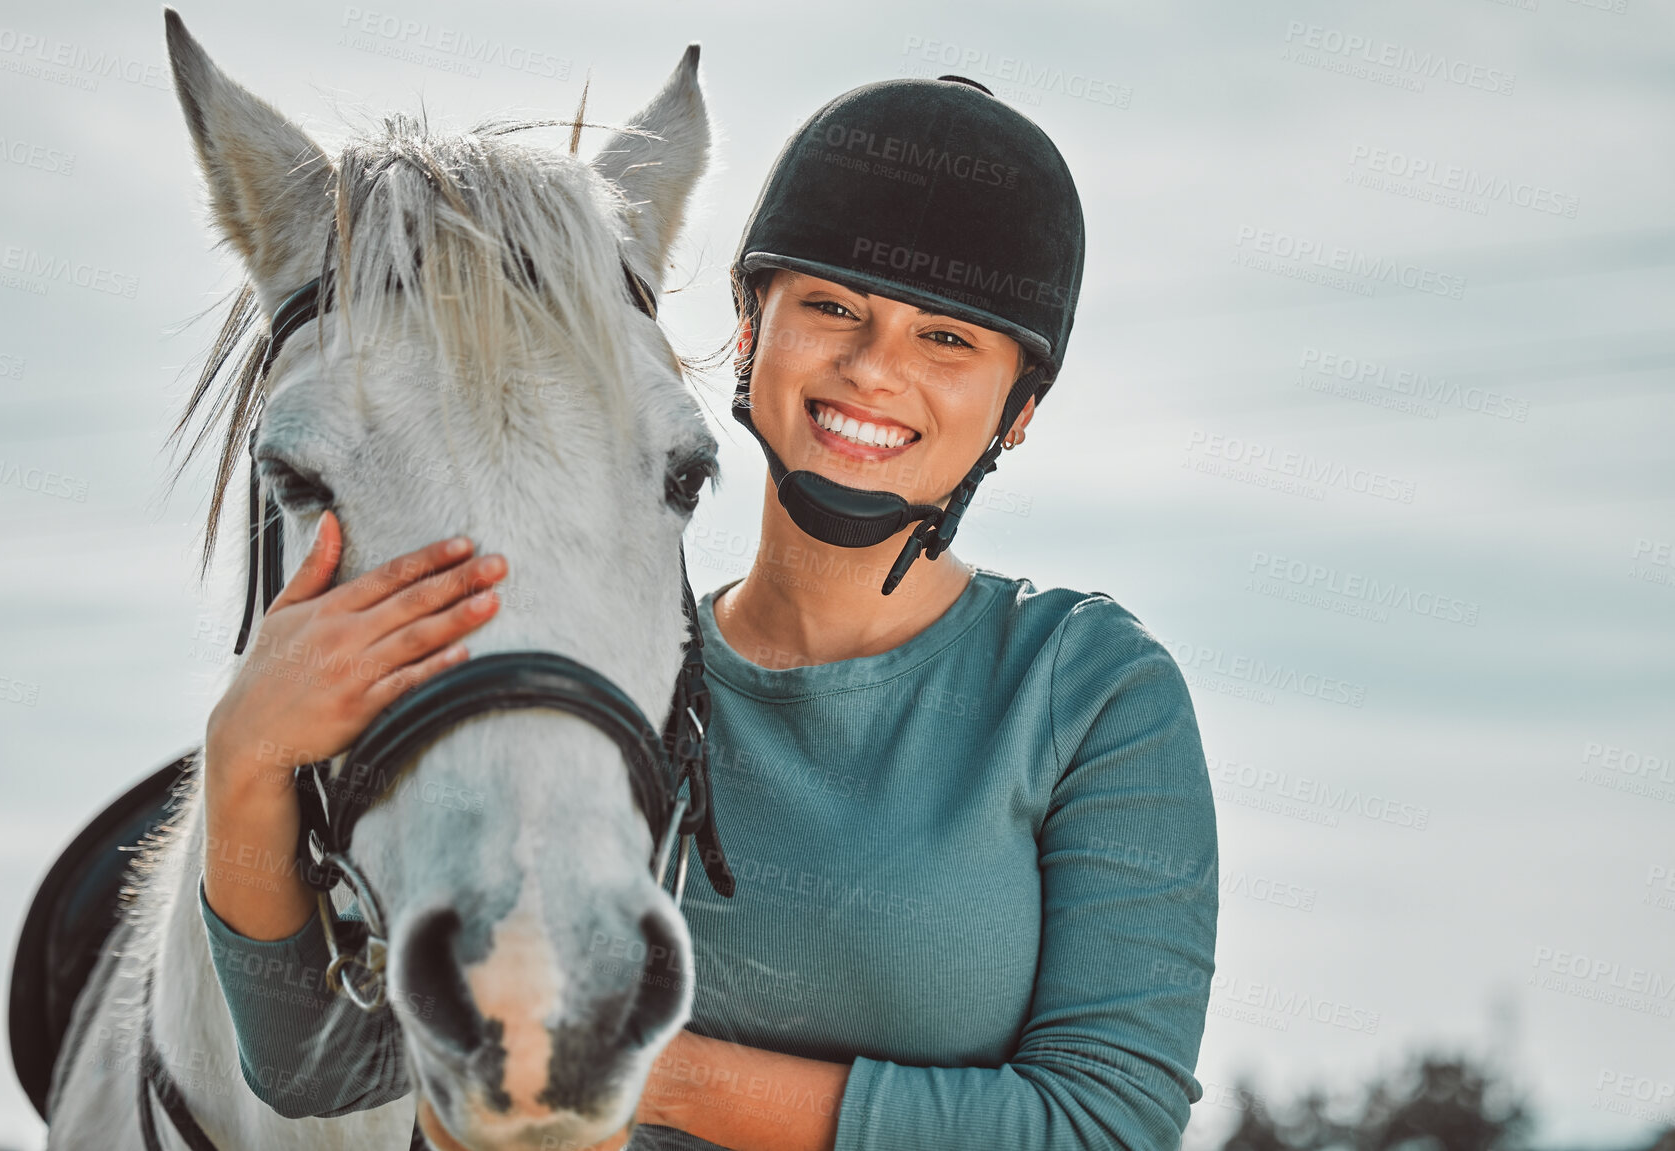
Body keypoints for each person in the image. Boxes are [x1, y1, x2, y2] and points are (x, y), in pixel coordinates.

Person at [199, 75, 1219, 1151]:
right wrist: (246, 754)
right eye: (831, 308)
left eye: (948, 341)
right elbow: (327, 1067)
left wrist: (650, 1074)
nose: (874, 370)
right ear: (747, 327)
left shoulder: (1093, 692)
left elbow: (1106, 1124)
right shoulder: (595, 683)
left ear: (1018, 411)